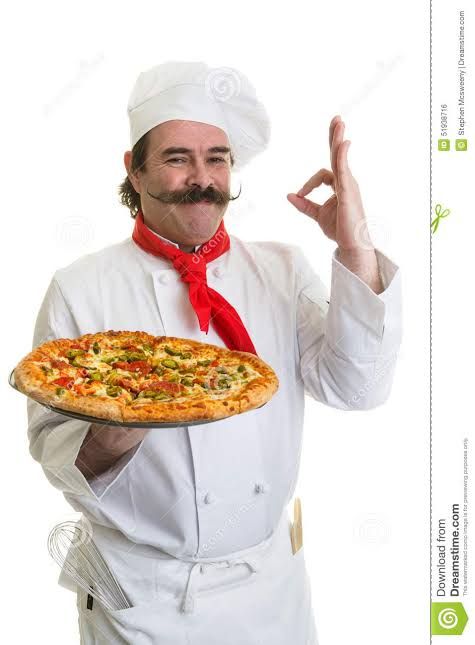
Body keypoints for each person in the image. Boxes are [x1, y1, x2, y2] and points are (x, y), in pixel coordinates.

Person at [27, 61, 402, 644]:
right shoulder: (80, 288)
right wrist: (115, 432)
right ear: (134, 168)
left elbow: (359, 388)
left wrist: (355, 243)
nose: (202, 177)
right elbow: (53, 456)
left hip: (270, 589)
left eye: (217, 157)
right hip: (140, 596)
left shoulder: (282, 269)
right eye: (178, 158)